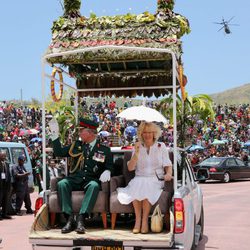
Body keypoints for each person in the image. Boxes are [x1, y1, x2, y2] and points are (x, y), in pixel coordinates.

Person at [48, 117, 113, 234]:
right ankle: (69, 219)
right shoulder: (76, 146)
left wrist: (107, 170)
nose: (79, 133)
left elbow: (110, 166)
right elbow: (59, 153)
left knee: (94, 186)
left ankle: (81, 219)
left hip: (90, 180)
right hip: (75, 179)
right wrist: (54, 135)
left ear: (89, 132)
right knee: (62, 183)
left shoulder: (104, 150)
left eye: (81, 130)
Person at [117, 122, 172, 234]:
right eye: (144, 132)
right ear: (141, 134)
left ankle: (144, 221)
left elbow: (168, 164)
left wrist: (169, 174)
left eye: (149, 132)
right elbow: (130, 168)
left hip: (155, 179)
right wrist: (136, 153)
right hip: (139, 177)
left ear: (154, 133)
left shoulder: (161, 146)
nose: (147, 135)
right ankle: (138, 221)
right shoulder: (137, 147)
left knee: (146, 187)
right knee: (138, 185)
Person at [0, 151, 12, 220]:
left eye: (4, 156)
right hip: (0, 186)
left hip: (5, 185)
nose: (4, 157)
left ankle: (4, 214)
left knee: (5, 201)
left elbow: (8, 175)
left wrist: (9, 185)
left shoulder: (6, 164)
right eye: (2, 156)